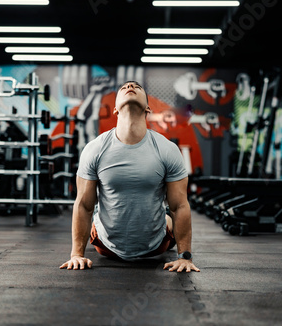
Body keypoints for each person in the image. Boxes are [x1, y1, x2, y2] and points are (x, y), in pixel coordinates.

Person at [60, 81, 200, 273]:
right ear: (115, 109)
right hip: (105, 246)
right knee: (92, 210)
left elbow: (180, 206)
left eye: (137, 87)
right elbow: (83, 205)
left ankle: (160, 218)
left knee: (170, 213)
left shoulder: (167, 149)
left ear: (148, 108)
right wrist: (76, 255)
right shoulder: (95, 149)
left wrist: (185, 257)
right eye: (124, 87)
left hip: (157, 246)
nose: (130, 86)